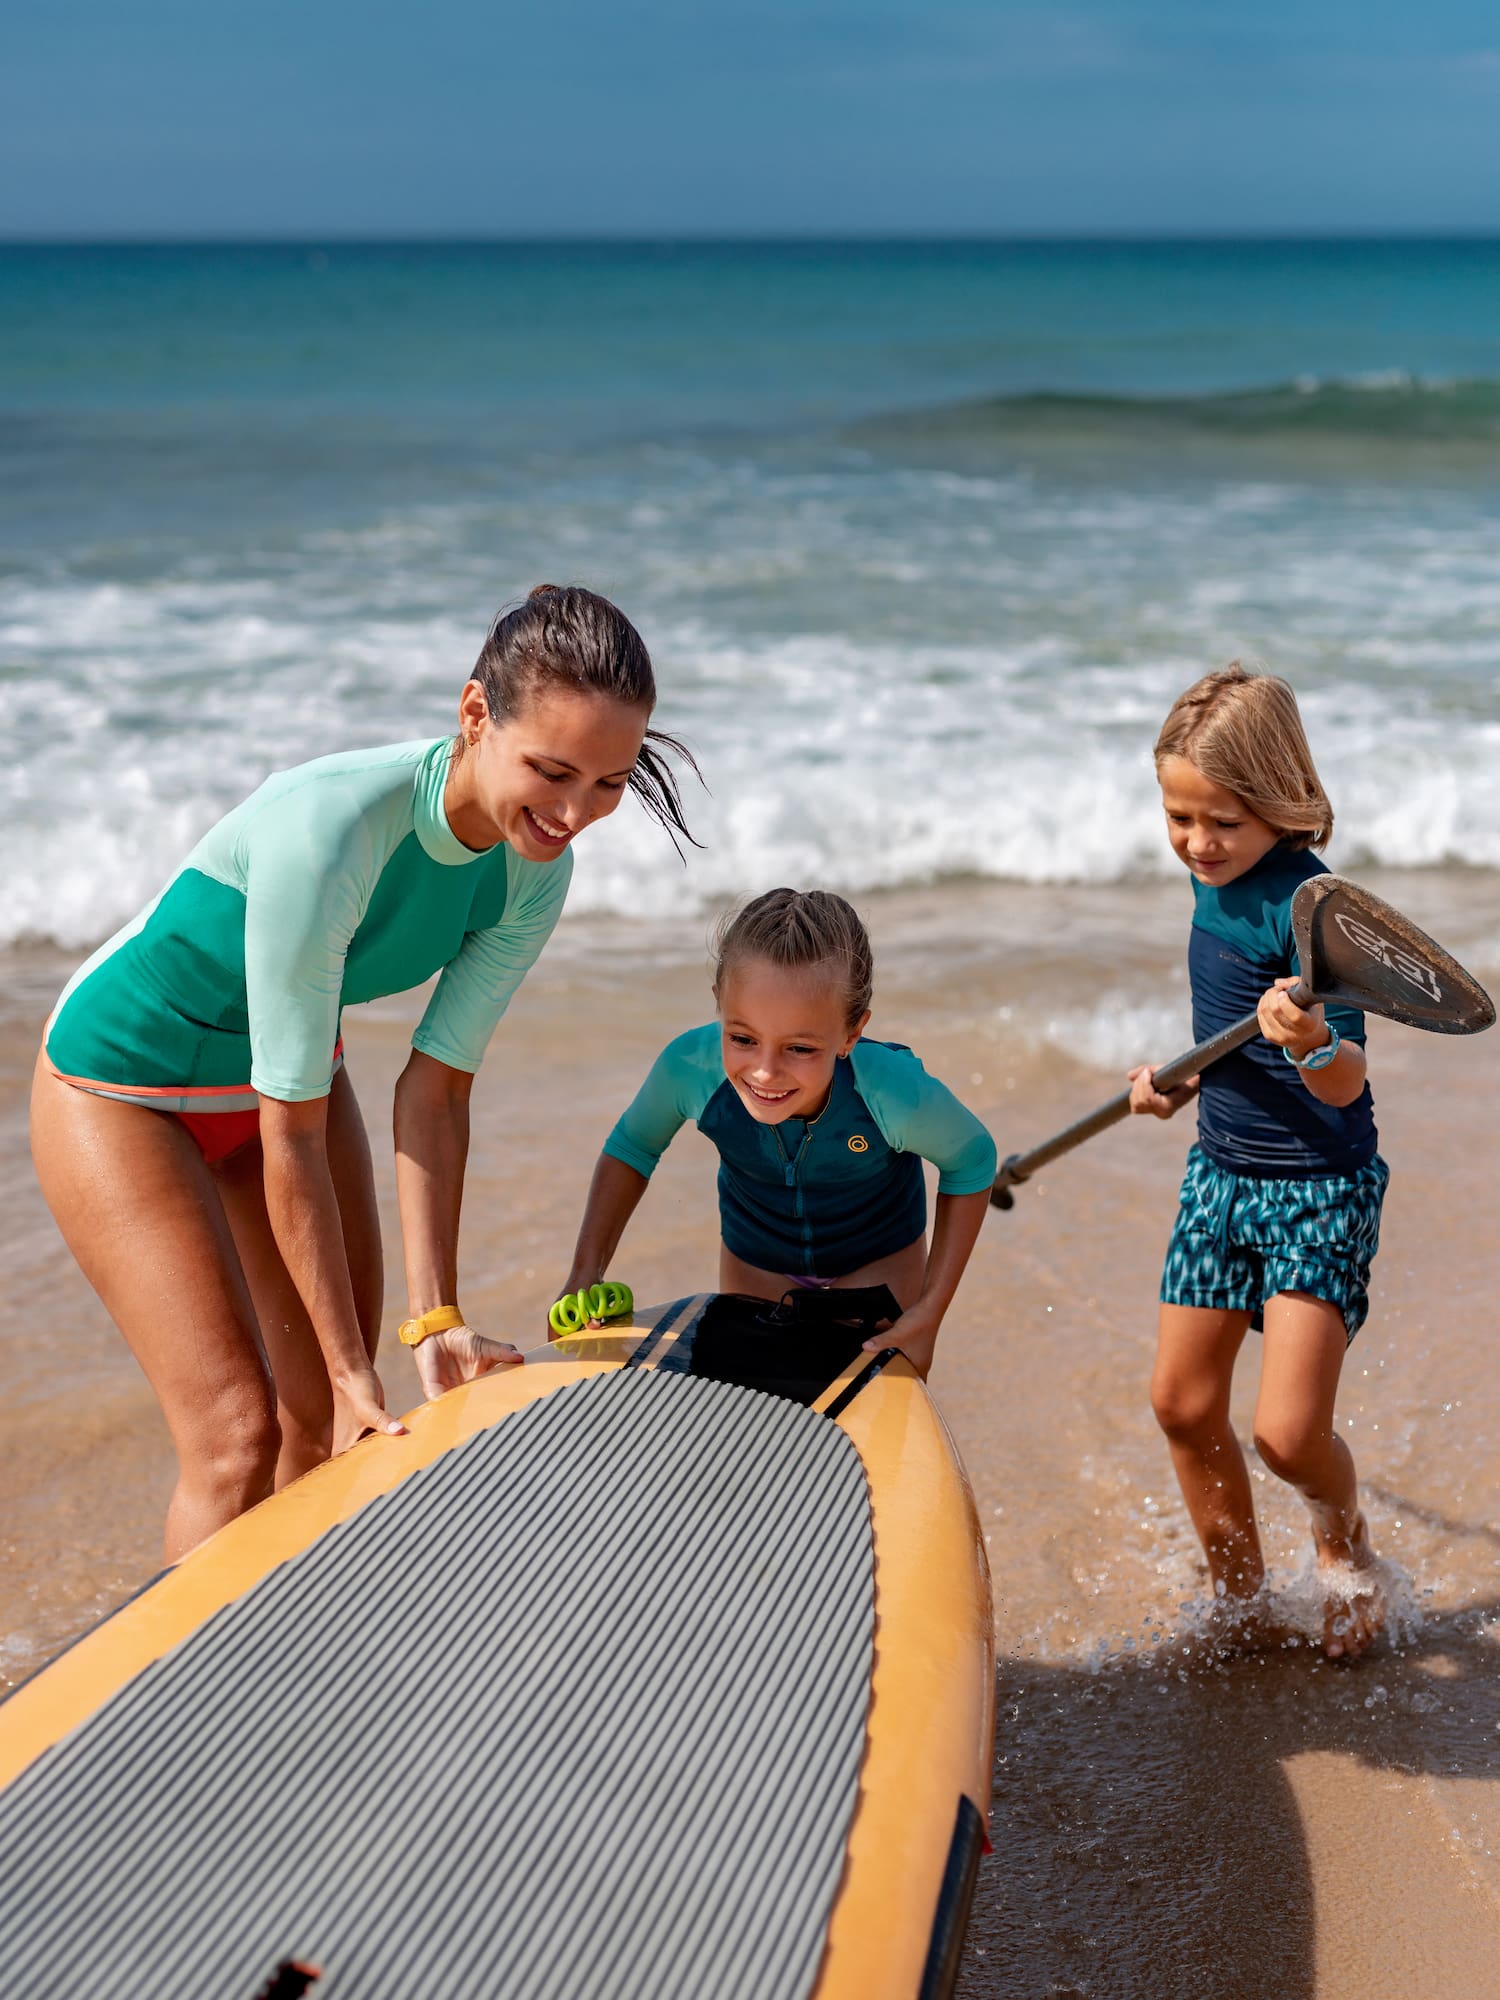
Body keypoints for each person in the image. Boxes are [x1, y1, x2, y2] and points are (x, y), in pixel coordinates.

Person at [32, 584, 696, 1562]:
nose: (573, 813)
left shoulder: (532, 870)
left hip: (286, 1084)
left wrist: (438, 1319)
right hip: (123, 1088)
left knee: (326, 1423)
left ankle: (283, 1663)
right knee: (239, 1433)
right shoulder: (333, 825)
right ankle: (179, 1692)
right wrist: (348, 1362)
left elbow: (436, 1094)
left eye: (608, 782)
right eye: (552, 770)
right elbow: (291, 1128)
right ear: (476, 714)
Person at [1127, 662, 1388, 1658]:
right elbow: (1221, 1030)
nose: (1197, 842)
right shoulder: (1209, 881)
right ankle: (1240, 1605)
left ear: (1282, 804)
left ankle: (1343, 1536)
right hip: (1221, 1173)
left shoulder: (1315, 907)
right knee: (1182, 1402)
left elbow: (1348, 1080)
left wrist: (1311, 1038)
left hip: (1320, 1184)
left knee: (1286, 1434)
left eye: (1221, 821)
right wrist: (1180, 1078)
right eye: (1178, 815)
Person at [558, 887, 997, 1378]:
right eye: (742, 1039)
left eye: (800, 1049)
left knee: (870, 1409)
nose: (765, 1072)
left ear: (851, 1034)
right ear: (719, 1006)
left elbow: (972, 1160)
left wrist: (928, 1312)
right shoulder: (690, 1068)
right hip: (756, 1264)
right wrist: (585, 1273)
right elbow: (632, 1149)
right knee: (750, 1410)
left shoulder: (892, 1092)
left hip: (878, 1263)